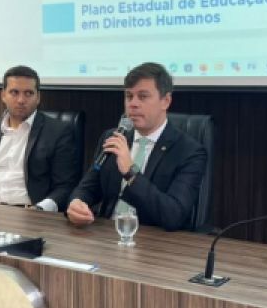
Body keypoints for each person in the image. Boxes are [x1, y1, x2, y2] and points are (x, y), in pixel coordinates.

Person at [67, 62, 207, 231]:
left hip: (155, 241)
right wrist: (76, 203)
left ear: (165, 101)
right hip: (108, 234)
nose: (133, 104)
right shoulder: (114, 137)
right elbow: (88, 188)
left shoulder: (189, 152)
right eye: (129, 96)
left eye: (143, 97)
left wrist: (130, 172)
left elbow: (173, 215)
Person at [0, 65, 78, 211]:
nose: (21, 100)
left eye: (28, 93)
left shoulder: (58, 132)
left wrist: (40, 209)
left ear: (38, 97)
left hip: (28, 213)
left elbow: (65, 186)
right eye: (14, 92)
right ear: (3, 95)